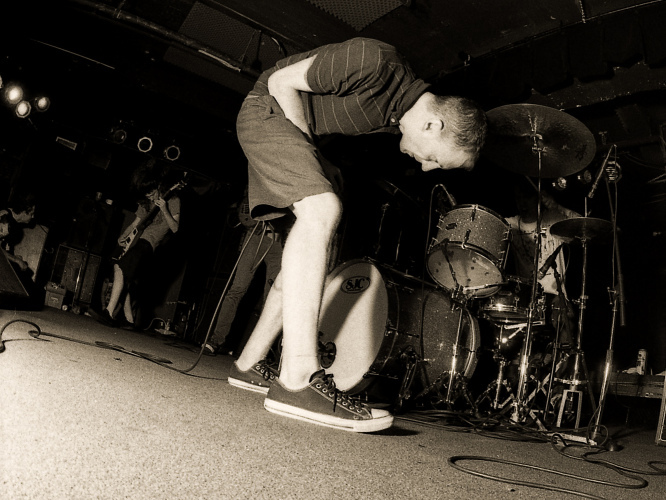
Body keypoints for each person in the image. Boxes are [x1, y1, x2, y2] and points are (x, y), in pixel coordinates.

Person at [228, 37, 487, 432]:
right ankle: (297, 378)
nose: (426, 168)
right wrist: (312, 157)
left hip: (283, 124)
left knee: (318, 238)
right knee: (322, 211)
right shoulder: (376, 61)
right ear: (432, 125)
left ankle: (249, 361)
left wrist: (319, 161)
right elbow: (280, 82)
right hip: (266, 109)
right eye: (435, 158)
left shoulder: (393, 114)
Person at [93, 160, 181, 328]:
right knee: (121, 272)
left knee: (121, 268)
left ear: (158, 185)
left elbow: (175, 228)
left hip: (151, 244)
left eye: (152, 193)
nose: (150, 197)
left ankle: (109, 312)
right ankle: (129, 320)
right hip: (138, 240)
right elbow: (135, 224)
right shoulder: (145, 202)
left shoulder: (173, 199)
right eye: (147, 195)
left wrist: (164, 209)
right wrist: (124, 236)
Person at [203, 188, 284, 356]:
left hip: (278, 243)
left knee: (272, 298)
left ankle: (261, 348)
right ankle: (215, 340)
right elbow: (245, 208)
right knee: (237, 289)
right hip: (255, 237)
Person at [505, 182, 579, 348]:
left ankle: (562, 359)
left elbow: (584, 226)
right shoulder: (511, 225)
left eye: (527, 197)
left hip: (555, 295)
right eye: (518, 198)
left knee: (565, 321)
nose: (522, 203)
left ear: (538, 197)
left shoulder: (554, 219)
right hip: (526, 296)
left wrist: (557, 206)